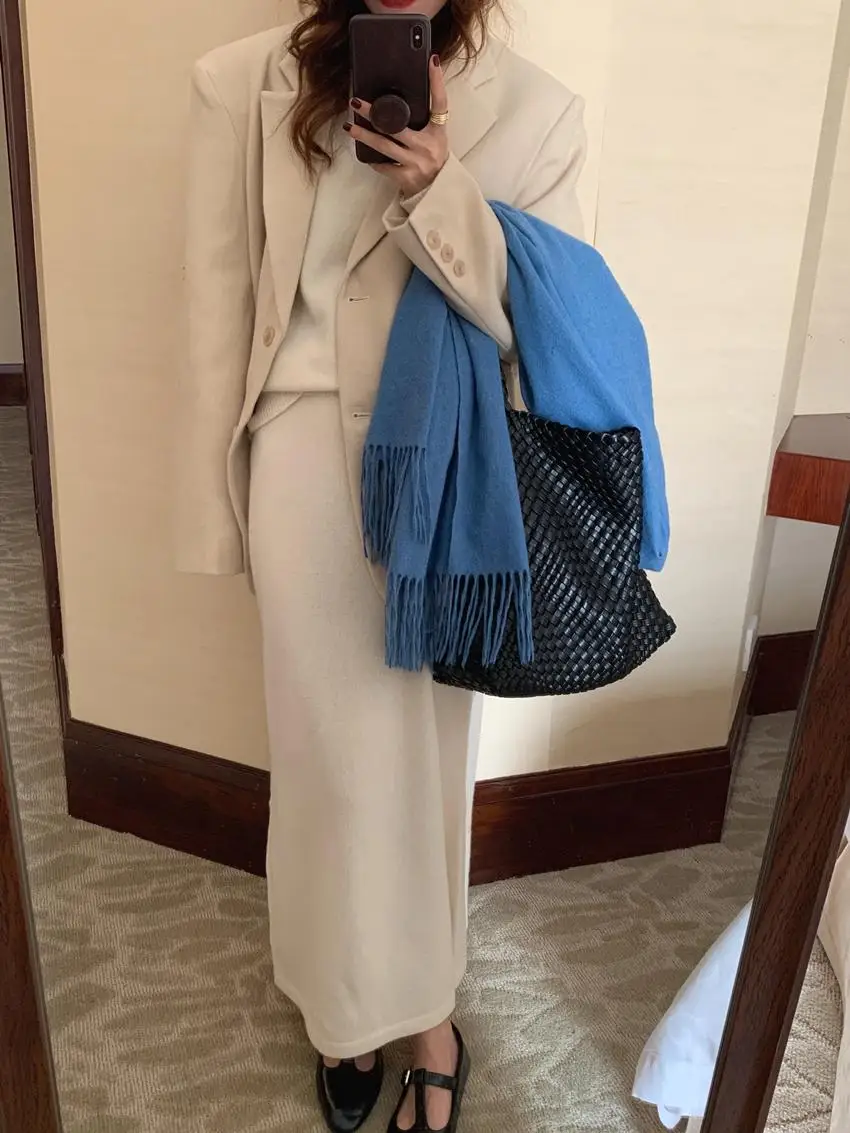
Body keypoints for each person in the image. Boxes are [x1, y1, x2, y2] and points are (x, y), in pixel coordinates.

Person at [177, 1, 586, 1129]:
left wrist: (439, 190)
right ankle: (339, 1011)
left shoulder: (540, 110)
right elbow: (217, 301)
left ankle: (428, 1010)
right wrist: (214, 513)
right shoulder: (237, 82)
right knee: (324, 759)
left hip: (452, 468)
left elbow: (540, 324)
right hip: (304, 461)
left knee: (429, 759)